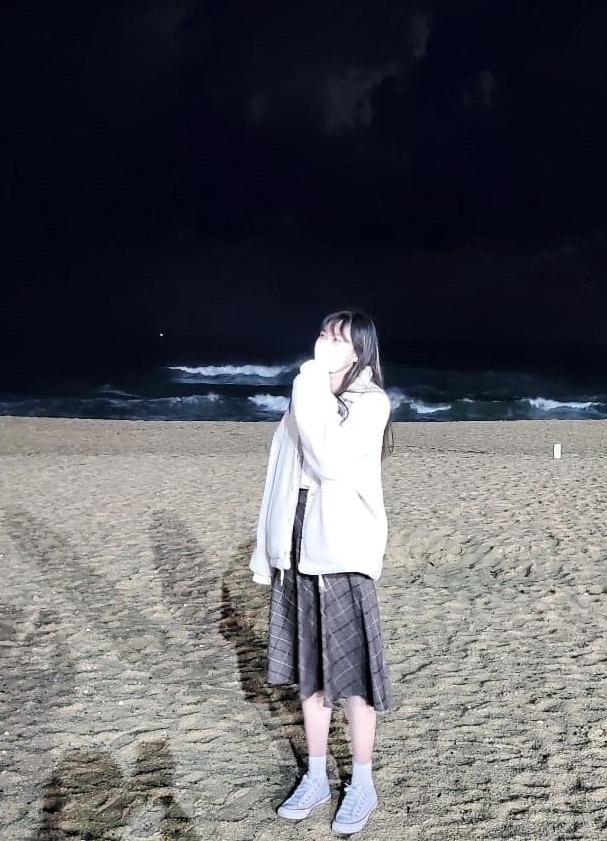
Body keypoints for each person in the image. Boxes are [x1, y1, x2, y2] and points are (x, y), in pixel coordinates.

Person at [250, 308, 395, 835]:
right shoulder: (308, 394)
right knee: (309, 674)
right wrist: (267, 550)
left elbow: (330, 462)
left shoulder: (370, 401)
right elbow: (279, 475)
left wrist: (310, 379)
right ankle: (315, 777)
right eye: (322, 334)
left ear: (358, 350)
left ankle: (363, 782)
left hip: (340, 549)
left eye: (337, 338)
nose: (324, 344)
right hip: (296, 543)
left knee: (353, 676)